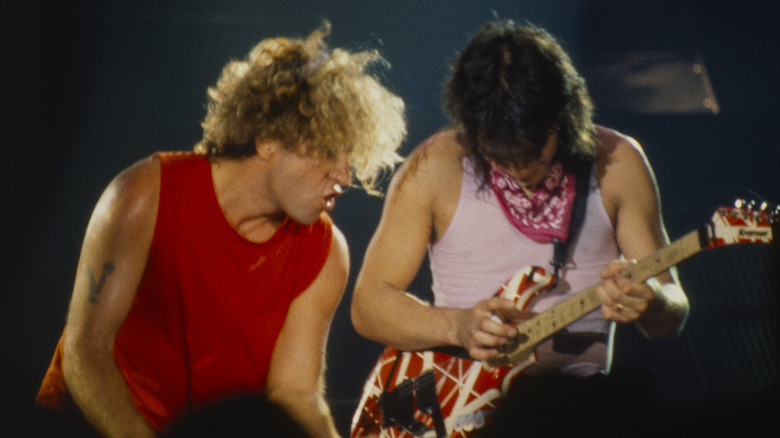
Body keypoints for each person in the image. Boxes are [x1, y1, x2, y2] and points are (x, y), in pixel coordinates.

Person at [35, 22, 406, 438]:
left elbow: (295, 394)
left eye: (349, 157)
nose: (344, 174)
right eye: (329, 152)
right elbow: (87, 350)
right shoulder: (143, 193)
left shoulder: (325, 250)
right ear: (268, 140)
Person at [350, 19, 689, 435]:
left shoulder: (618, 163)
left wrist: (652, 300)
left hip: (580, 413)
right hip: (463, 415)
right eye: (499, 155)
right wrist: (456, 325)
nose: (520, 169)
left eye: (533, 152)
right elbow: (367, 306)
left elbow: (671, 315)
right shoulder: (434, 166)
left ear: (563, 120)